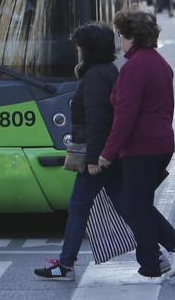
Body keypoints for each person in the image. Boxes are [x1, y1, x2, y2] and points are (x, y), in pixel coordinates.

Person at [96, 10, 175, 280]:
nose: (119, 41)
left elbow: (125, 115)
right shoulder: (160, 63)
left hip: (140, 147)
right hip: (161, 142)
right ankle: (153, 260)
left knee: (137, 204)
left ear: (131, 36)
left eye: (121, 35)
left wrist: (109, 152)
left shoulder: (134, 68)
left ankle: (173, 247)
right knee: (139, 203)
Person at [34, 22, 137, 281]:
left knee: (79, 206)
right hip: (107, 151)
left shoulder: (95, 77)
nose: (77, 51)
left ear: (88, 49)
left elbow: (97, 120)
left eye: (79, 47)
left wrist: (93, 159)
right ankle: (164, 249)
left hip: (97, 154)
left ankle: (65, 263)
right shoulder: (105, 71)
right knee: (126, 205)